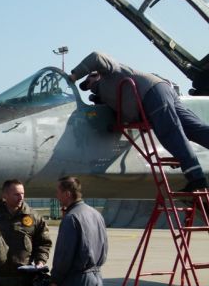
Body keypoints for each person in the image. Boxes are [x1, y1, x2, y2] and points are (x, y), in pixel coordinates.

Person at [69, 51, 209, 192]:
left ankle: (196, 178)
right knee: (194, 129)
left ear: (97, 74)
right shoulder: (108, 96)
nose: (89, 85)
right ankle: (196, 177)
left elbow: (96, 57)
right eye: (87, 85)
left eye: (89, 79)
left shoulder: (110, 73)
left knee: (170, 133)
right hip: (160, 91)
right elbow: (126, 109)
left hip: (151, 93)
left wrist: (75, 75)